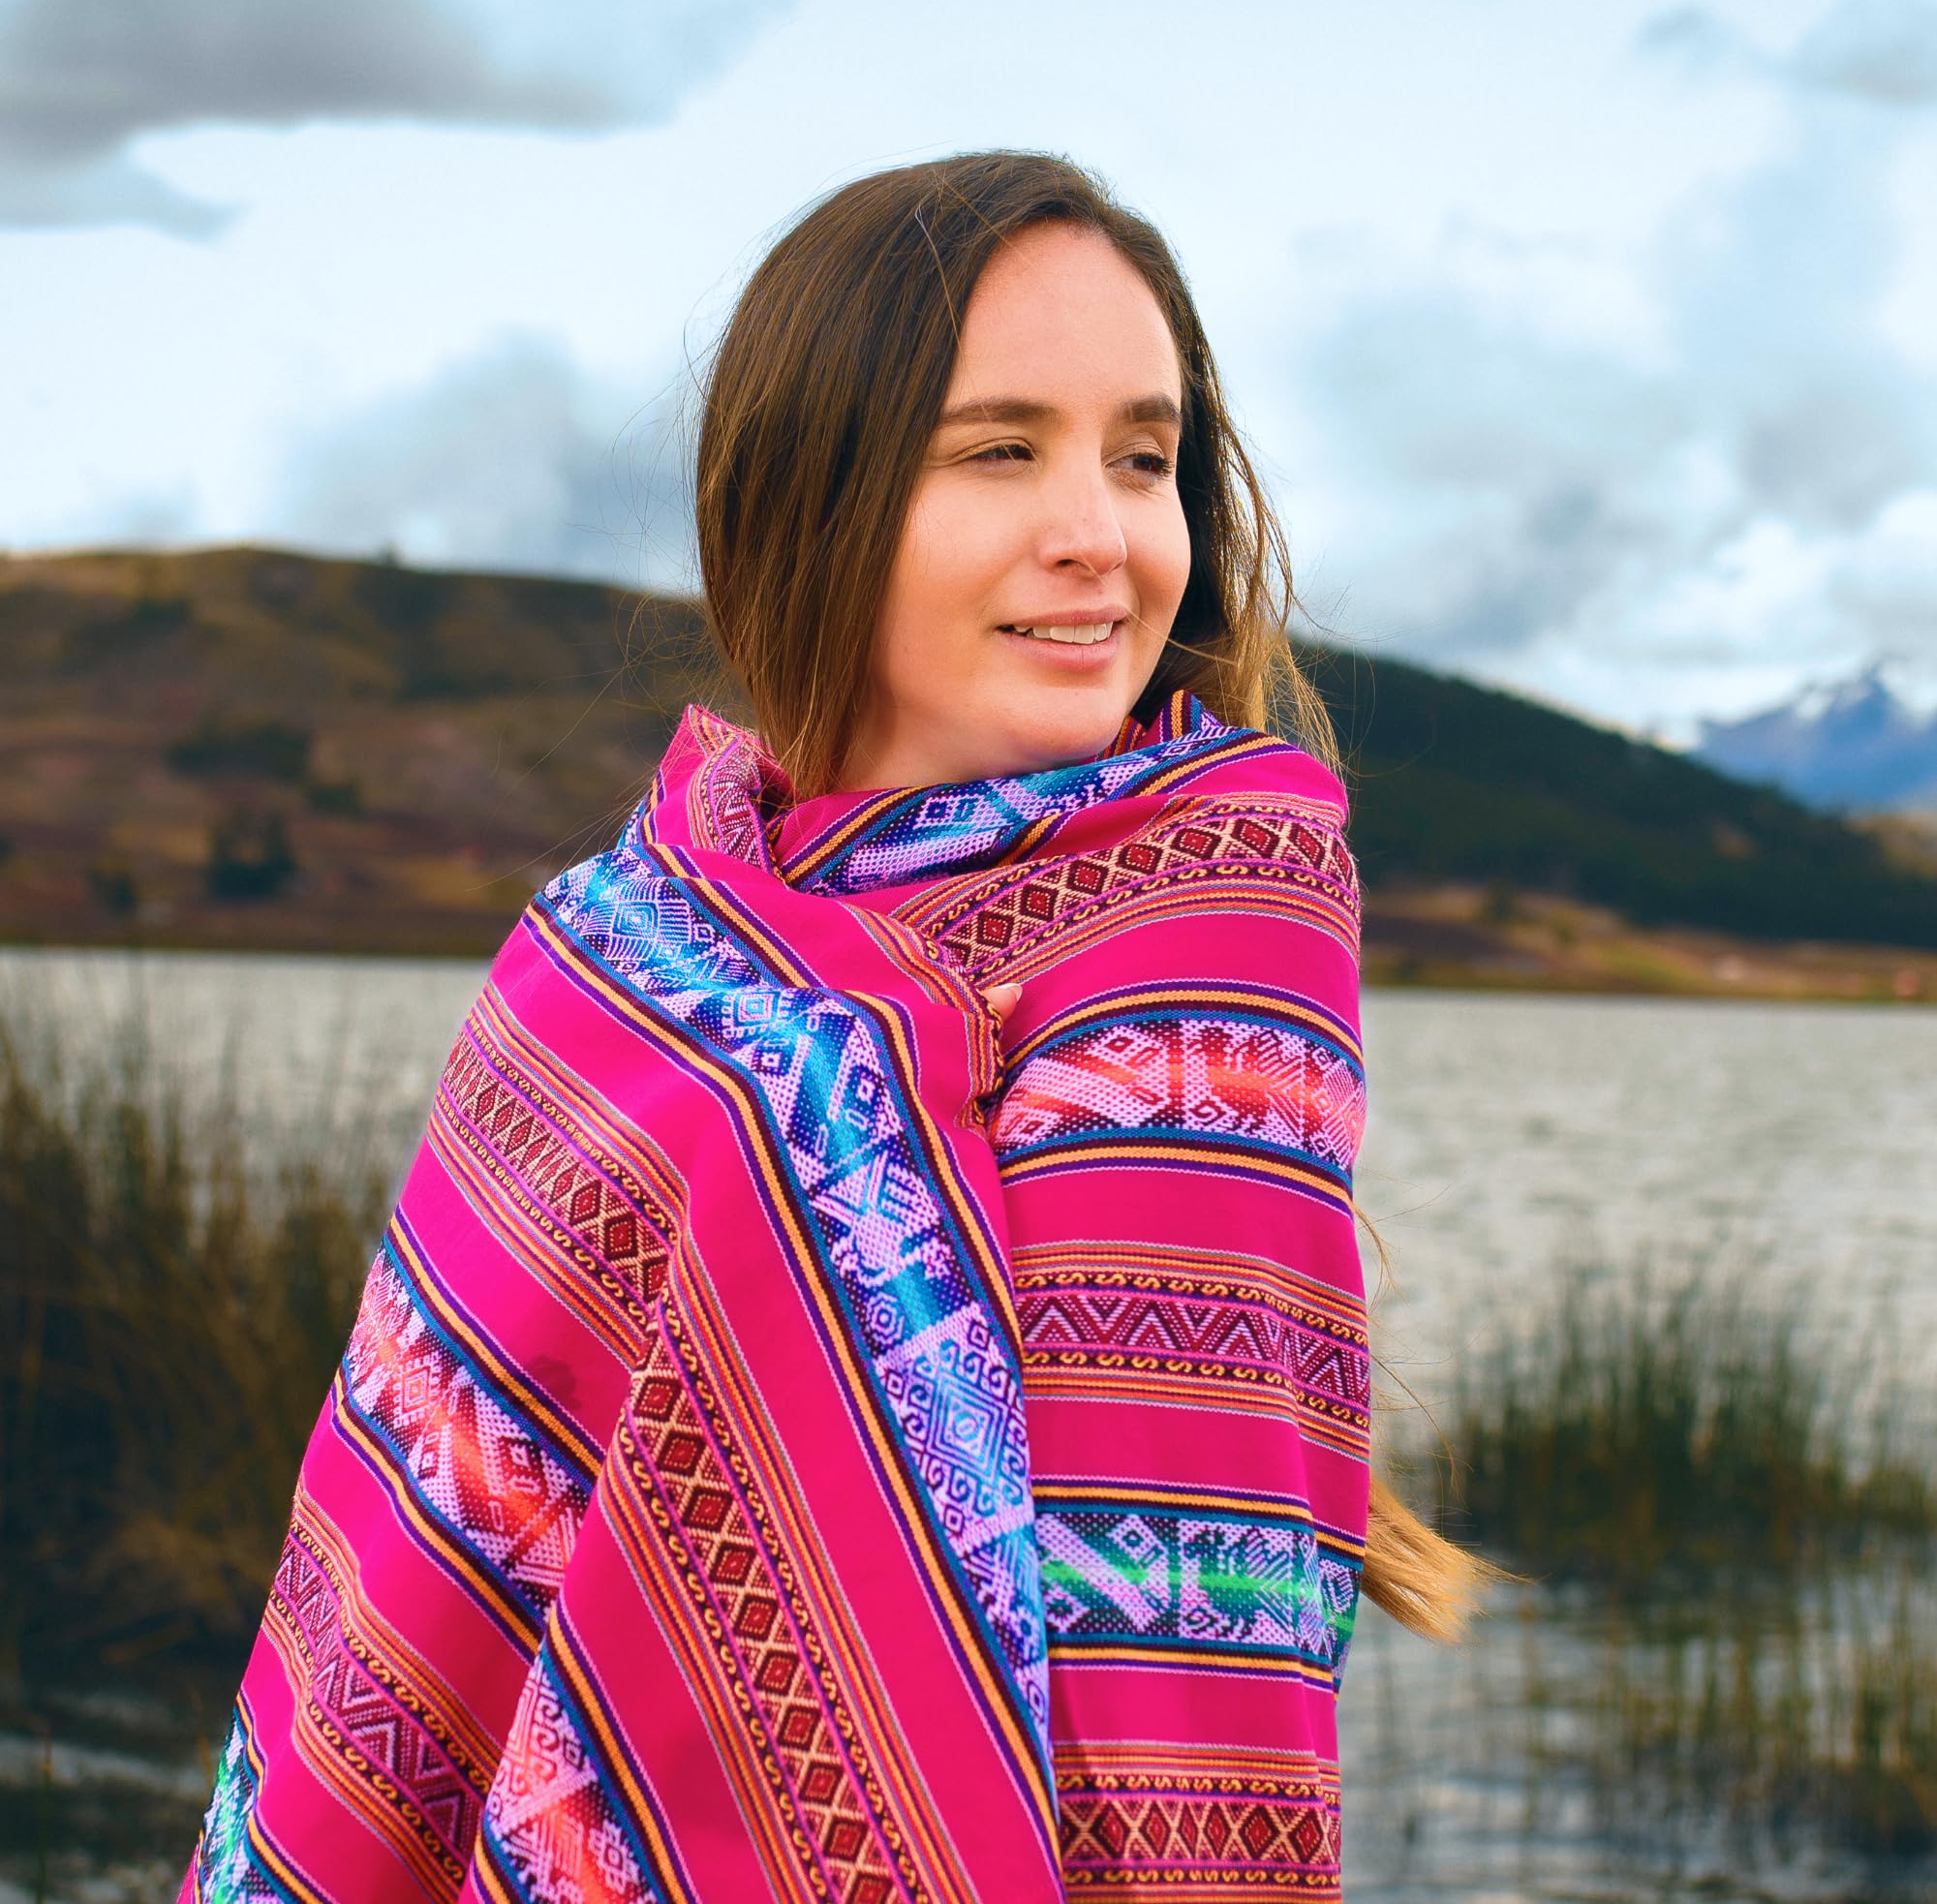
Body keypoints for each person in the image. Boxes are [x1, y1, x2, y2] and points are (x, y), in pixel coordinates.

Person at [181, 149, 1490, 1903]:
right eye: (999, 449)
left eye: (1145, 455)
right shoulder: (608, 956)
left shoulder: (1217, 930)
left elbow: (1182, 1663)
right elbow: (410, 1564)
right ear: (816, 498)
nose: (1099, 531)